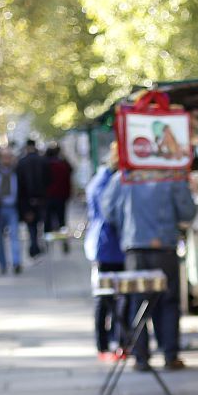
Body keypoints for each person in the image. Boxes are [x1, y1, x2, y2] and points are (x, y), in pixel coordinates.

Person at [99, 168, 197, 371]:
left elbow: (107, 210)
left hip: (135, 246)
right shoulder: (170, 175)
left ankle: (141, 357)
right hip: (164, 246)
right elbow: (188, 211)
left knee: (138, 302)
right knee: (168, 302)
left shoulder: (124, 176)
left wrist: (127, 222)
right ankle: (170, 355)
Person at [85, 144, 125, 359]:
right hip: (108, 246)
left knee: (112, 296)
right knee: (106, 297)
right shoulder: (106, 181)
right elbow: (108, 213)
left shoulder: (103, 179)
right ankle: (104, 344)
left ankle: (114, 341)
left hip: (109, 245)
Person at [16, 138, 47, 259]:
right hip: (41, 199)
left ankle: (34, 245)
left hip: (27, 200)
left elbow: (19, 184)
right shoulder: (42, 161)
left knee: (31, 225)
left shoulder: (22, 162)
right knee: (39, 223)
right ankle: (36, 245)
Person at [43, 144, 73, 252]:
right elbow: (70, 172)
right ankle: (64, 241)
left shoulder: (45, 165)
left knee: (47, 221)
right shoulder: (63, 164)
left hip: (48, 198)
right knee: (62, 221)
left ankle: (48, 242)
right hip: (61, 197)